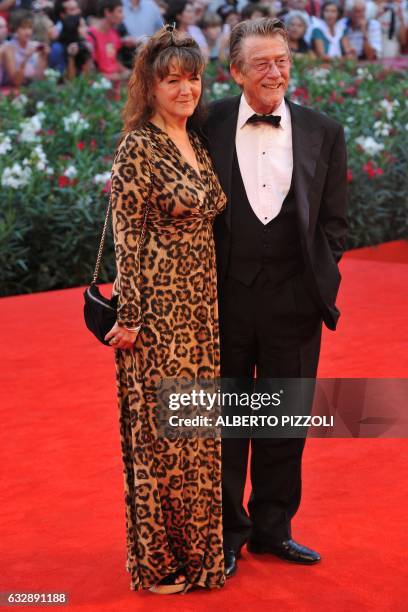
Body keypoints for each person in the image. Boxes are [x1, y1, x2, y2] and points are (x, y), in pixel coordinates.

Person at [205, 17, 348, 577]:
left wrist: (319, 273)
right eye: (262, 62)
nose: (276, 72)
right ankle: (225, 534)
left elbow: (334, 221)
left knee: (284, 419)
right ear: (236, 71)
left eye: (283, 59)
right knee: (223, 422)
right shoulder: (206, 122)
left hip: (295, 299)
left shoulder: (323, 130)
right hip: (223, 299)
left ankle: (272, 529)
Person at [105, 25, 226, 594]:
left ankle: (202, 555)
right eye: (172, 80)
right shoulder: (138, 146)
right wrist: (129, 317)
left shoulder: (194, 141)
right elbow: (127, 236)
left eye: (193, 78)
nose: (185, 89)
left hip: (201, 312)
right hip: (155, 318)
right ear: (149, 87)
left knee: (198, 436)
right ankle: (159, 561)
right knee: (165, 438)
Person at [2, 9, 49, 87]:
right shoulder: (8, 48)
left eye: (30, 28)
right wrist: (25, 59)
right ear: (15, 29)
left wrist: (43, 58)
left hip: (32, 89)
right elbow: (16, 83)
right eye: (23, 28)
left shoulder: (37, 46)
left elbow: (40, 79)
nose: (28, 32)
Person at [86, 0, 130, 81]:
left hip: (116, 87)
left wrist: (128, 72)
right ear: (107, 12)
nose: (123, 16)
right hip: (100, 89)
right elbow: (89, 72)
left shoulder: (114, 33)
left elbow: (113, 60)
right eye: (119, 11)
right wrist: (117, 77)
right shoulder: (90, 36)